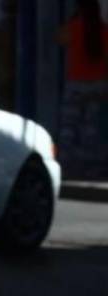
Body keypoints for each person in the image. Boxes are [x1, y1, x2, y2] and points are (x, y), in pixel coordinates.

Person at [57, 0, 108, 178]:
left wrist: (74, 18)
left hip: (76, 84)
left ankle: (68, 166)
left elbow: (59, 38)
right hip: (98, 85)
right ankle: (89, 167)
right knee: (90, 128)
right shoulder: (103, 30)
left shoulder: (74, 27)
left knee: (69, 128)